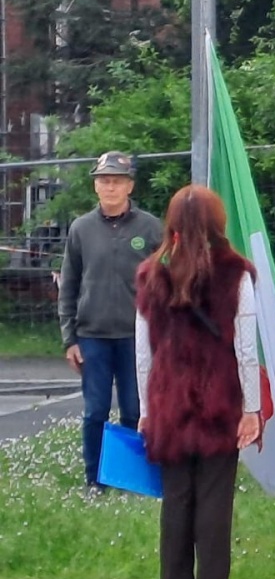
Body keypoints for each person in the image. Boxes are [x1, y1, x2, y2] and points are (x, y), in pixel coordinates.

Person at [134, 186, 261, 579]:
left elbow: (143, 350)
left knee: (176, 498)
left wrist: (147, 411)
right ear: (218, 222)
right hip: (220, 399)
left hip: (168, 400)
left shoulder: (151, 272)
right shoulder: (236, 273)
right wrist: (251, 409)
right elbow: (246, 348)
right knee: (214, 498)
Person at [58, 151, 163, 491]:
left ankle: (130, 478)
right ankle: (95, 480)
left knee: (135, 410)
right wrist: (69, 338)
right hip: (93, 335)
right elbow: (69, 284)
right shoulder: (81, 229)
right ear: (95, 186)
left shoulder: (149, 227)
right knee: (96, 411)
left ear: (130, 186)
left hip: (138, 337)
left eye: (117, 181)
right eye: (104, 181)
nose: (110, 187)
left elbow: (166, 282)